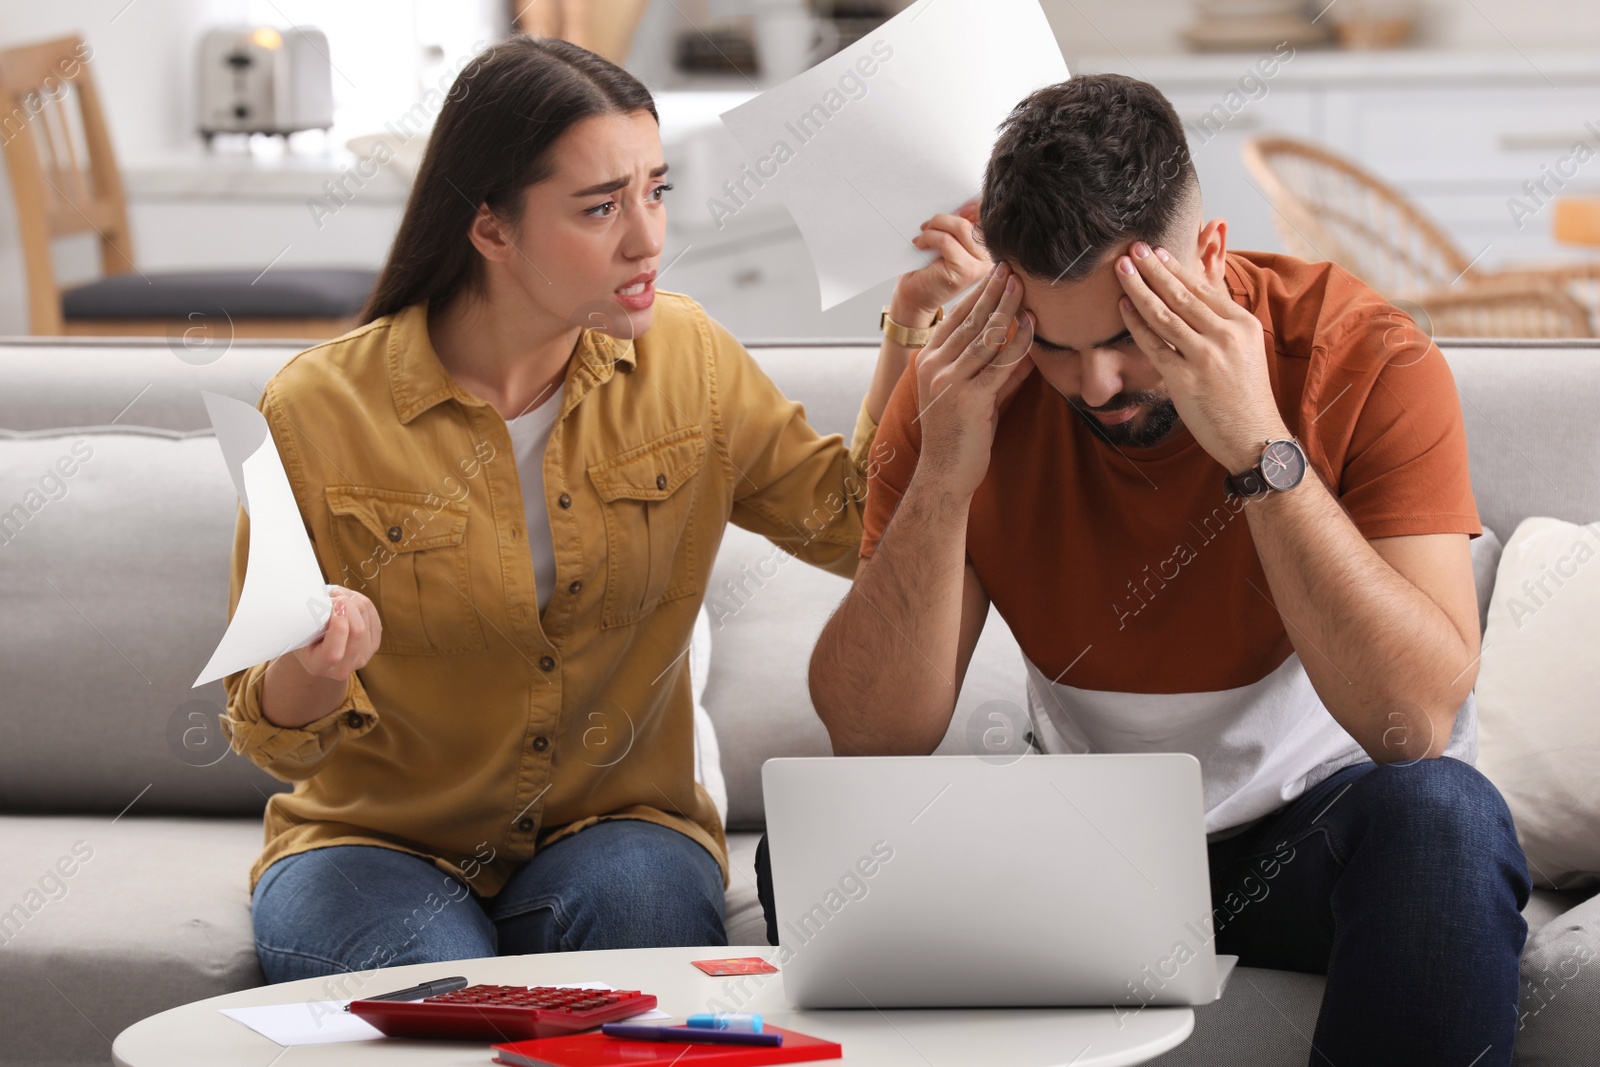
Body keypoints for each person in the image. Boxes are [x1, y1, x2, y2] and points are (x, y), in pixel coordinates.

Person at [220, 35, 988, 985]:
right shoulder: (316, 409)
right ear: (490, 227)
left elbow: (848, 524)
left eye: (655, 191)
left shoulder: (692, 362)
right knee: (436, 991)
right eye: (600, 207)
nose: (648, 238)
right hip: (374, 844)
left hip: (618, 827)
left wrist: (913, 320)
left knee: (641, 923)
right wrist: (315, 669)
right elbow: (266, 729)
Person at [798, 74, 1531, 1067]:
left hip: (1313, 830)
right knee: (816, 862)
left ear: (1210, 257)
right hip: (1095, 847)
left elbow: (1410, 723)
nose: (1093, 384)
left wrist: (1256, 445)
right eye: (1056, 346)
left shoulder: (1364, 355)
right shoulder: (968, 383)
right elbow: (872, 736)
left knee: (1444, 819)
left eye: (1122, 336)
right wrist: (942, 473)